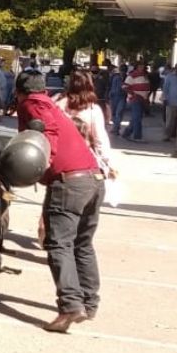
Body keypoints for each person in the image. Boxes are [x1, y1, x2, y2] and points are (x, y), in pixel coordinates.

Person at [16, 70, 104, 333]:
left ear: (19, 92)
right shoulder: (51, 103)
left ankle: (70, 306)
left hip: (69, 182)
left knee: (59, 244)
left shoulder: (32, 104)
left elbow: (47, 130)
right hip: (94, 178)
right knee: (82, 244)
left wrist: (46, 159)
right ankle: (89, 303)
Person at [55, 71, 115, 179]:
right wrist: (106, 162)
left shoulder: (59, 105)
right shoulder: (93, 110)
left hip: (61, 158)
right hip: (85, 159)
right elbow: (100, 139)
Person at [121, 61, 151, 142]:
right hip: (135, 99)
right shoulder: (132, 75)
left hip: (143, 99)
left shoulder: (145, 75)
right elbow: (124, 86)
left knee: (136, 118)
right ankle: (137, 137)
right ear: (136, 67)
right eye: (140, 66)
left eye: (143, 66)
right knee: (137, 118)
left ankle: (126, 133)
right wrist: (133, 94)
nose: (142, 68)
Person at [161, 62, 177, 143]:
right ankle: (167, 136)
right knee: (170, 120)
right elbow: (165, 88)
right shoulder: (170, 76)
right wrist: (165, 99)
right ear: (176, 68)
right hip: (171, 101)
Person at [107, 64, 127, 136]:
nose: (123, 71)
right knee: (114, 114)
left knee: (119, 113)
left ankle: (116, 128)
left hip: (122, 97)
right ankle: (116, 127)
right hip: (114, 96)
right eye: (122, 70)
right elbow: (109, 85)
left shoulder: (127, 78)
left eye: (124, 70)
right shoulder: (115, 76)